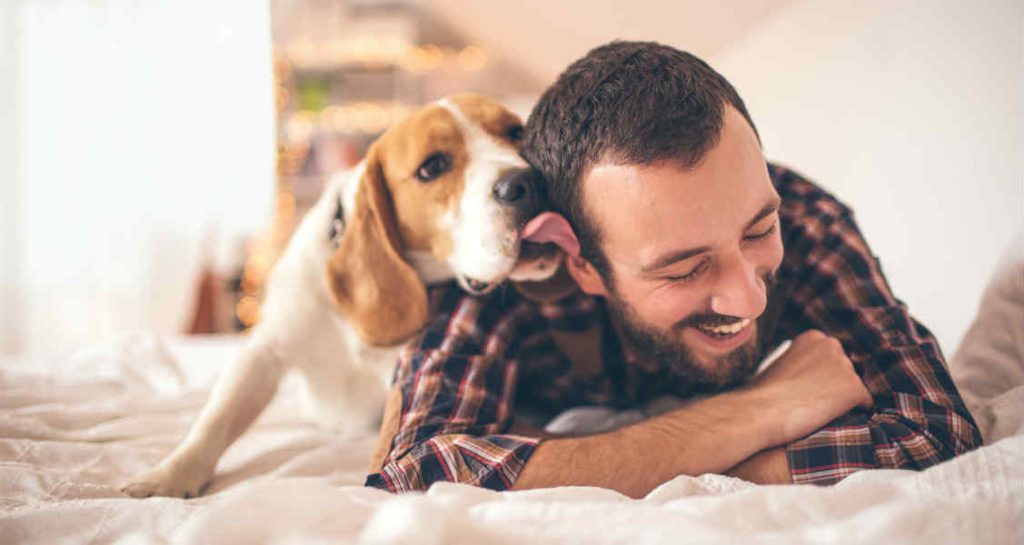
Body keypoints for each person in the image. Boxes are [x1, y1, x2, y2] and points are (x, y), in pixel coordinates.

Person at [365, 41, 981, 498]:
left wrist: (587, 465)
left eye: (759, 231)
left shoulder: (806, 218)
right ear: (579, 263)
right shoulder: (510, 264)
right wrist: (761, 410)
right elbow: (415, 476)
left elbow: (933, 431)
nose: (748, 299)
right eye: (683, 270)